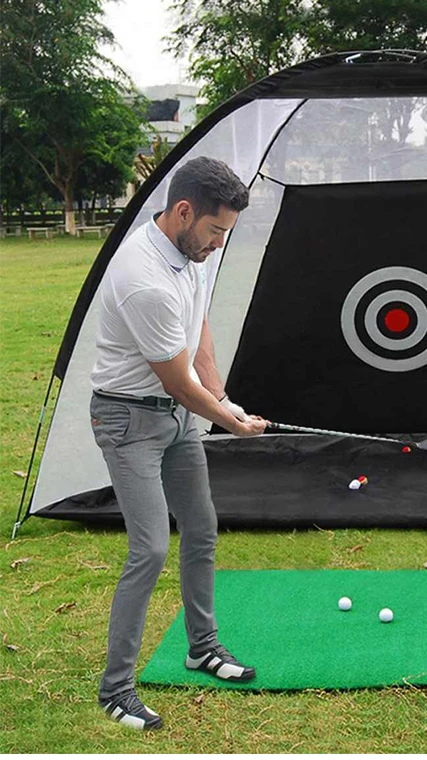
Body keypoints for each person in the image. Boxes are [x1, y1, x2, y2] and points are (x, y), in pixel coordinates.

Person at [89, 156, 267, 731]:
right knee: (149, 549)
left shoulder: (193, 254)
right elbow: (176, 382)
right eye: (215, 230)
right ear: (183, 212)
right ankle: (116, 690)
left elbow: (199, 327)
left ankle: (202, 647)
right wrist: (228, 421)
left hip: (177, 417)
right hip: (128, 421)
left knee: (201, 527)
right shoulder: (143, 278)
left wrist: (224, 397)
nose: (219, 243)